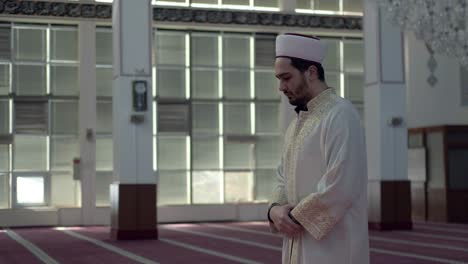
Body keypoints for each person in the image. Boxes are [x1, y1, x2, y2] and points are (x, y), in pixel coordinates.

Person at [267, 33, 369, 264]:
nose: (281, 87)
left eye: (286, 78)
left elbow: (341, 186)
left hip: (334, 248)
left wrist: (291, 217)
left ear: (311, 72)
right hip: (296, 243)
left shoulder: (341, 115)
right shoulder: (296, 125)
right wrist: (274, 211)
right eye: (279, 79)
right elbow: (282, 178)